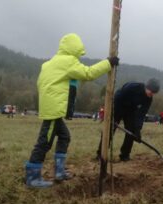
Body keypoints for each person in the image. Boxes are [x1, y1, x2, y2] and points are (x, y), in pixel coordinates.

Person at [25, 33, 119, 188]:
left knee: (64, 136)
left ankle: (59, 171)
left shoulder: (51, 63)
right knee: (44, 142)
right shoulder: (68, 62)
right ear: (74, 49)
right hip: (54, 110)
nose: (79, 57)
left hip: (50, 106)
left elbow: (42, 83)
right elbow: (88, 73)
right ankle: (32, 177)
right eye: (79, 53)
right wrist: (108, 63)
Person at [97, 78, 161, 161]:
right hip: (118, 106)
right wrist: (111, 112)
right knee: (109, 130)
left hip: (130, 111)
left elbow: (141, 114)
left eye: (154, 93)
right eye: (151, 91)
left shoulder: (148, 99)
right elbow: (118, 96)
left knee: (132, 131)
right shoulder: (133, 87)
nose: (152, 94)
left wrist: (138, 129)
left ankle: (125, 155)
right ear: (146, 87)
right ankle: (101, 154)